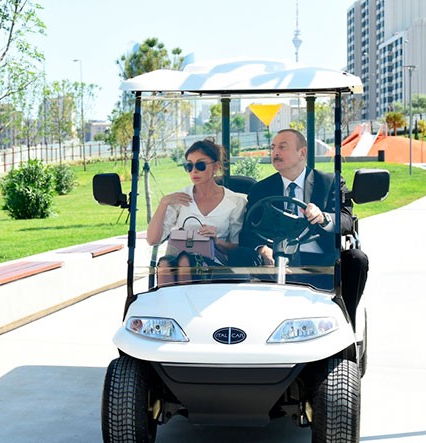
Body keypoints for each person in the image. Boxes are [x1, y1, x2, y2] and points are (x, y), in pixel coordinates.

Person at [235, 128, 368, 323]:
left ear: (302, 153)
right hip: (274, 263)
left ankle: (347, 320)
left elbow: (346, 219)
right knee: (240, 256)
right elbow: (248, 233)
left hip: (320, 262)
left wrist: (323, 217)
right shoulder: (261, 189)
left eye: (282, 147)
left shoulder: (329, 182)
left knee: (357, 259)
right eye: (273, 147)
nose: (275, 152)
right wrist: (262, 249)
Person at [146, 138, 247, 284]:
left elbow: (238, 248)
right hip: (179, 260)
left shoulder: (236, 202)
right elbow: (152, 240)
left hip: (216, 265)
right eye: (189, 166)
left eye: (200, 165)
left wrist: (217, 241)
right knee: (165, 264)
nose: (194, 171)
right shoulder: (180, 198)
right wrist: (163, 203)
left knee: (185, 262)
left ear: (216, 166)